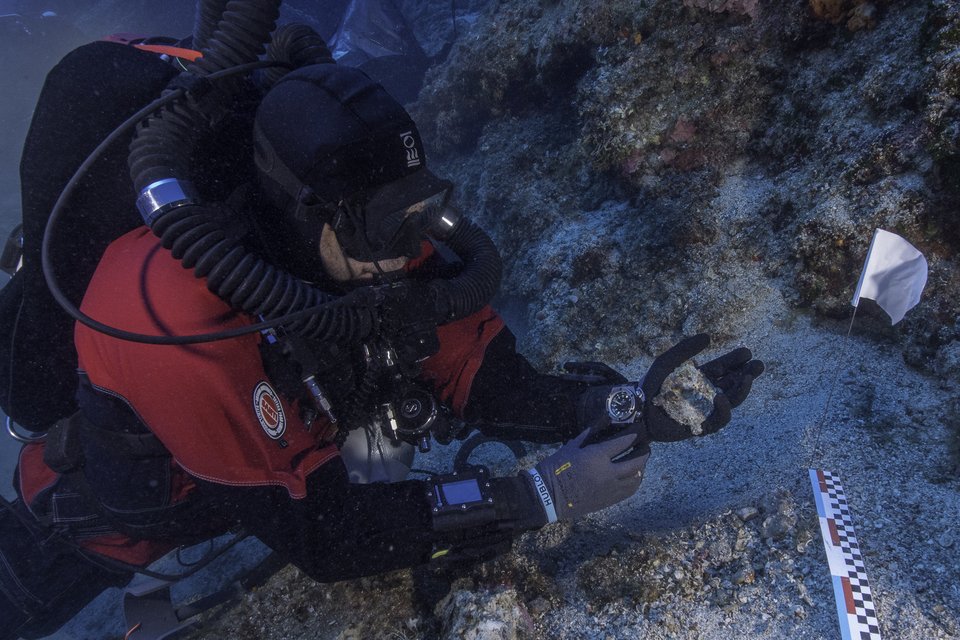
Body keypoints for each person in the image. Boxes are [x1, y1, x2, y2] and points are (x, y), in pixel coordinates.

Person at [0, 16, 763, 640]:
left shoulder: (378, 220)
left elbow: (477, 372)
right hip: (98, 525)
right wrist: (537, 495)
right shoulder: (174, 303)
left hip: (288, 460)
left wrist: (621, 408)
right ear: (310, 216)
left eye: (416, 220)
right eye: (384, 235)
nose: (411, 256)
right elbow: (326, 535)